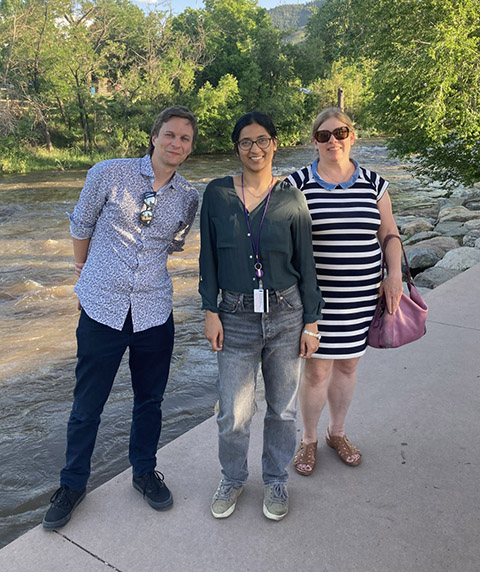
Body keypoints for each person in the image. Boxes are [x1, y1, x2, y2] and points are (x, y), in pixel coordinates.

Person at [42, 106, 199, 530]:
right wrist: (84, 279)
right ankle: (73, 484)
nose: (176, 143)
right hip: (101, 309)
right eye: (169, 134)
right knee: (86, 405)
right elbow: (81, 226)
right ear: (154, 136)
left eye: (184, 138)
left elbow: (173, 245)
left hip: (153, 312)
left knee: (150, 400)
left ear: (190, 147)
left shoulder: (188, 197)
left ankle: (144, 472)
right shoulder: (108, 174)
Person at [199, 111, 323, 521]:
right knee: (233, 410)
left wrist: (311, 322)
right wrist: (210, 309)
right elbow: (208, 258)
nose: (255, 149)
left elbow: (306, 262)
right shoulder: (217, 194)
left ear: (275, 143)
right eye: (246, 142)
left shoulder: (290, 197)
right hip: (234, 314)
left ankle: (275, 480)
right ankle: (233, 478)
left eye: (262, 140)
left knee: (282, 408)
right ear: (237, 148)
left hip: (287, 313)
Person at [286, 107, 403, 476]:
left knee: (349, 366)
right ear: (314, 141)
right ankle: (308, 440)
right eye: (324, 135)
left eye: (340, 132)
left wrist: (394, 274)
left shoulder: (374, 182)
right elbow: (282, 241)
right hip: (318, 301)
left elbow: (389, 234)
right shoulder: (298, 182)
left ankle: (337, 433)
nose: (333, 140)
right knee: (317, 371)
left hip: (362, 296)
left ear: (353, 137)